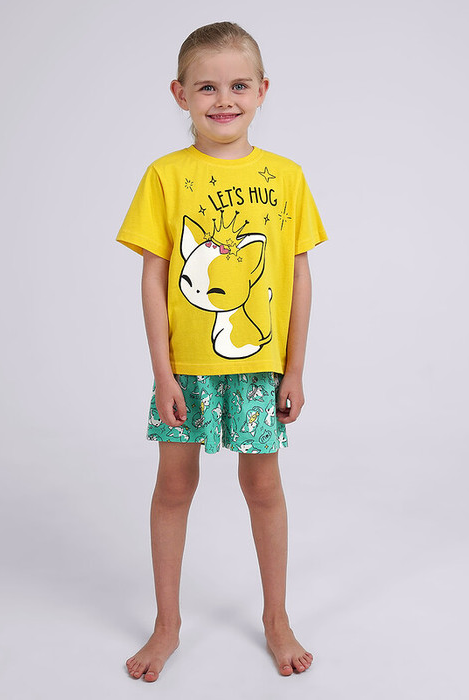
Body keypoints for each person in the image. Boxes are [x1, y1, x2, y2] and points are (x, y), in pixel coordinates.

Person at [116, 21, 327, 682]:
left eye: (238, 85)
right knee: (174, 486)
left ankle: (276, 619)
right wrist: (163, 373)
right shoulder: (165, 176)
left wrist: (294, 367)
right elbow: (153, 278)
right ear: (180, 94)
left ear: (262, 90)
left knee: (262, 487)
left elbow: (298, 276)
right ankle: (166, 625)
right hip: (186, 372)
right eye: (206, 87)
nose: (223, 99)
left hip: (260, 371)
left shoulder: (286, 177)